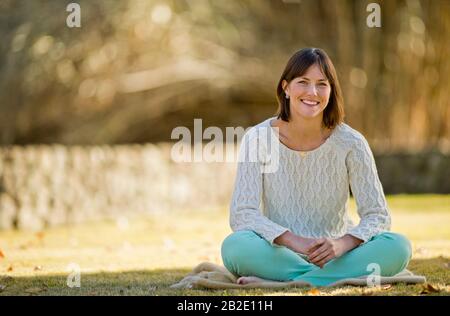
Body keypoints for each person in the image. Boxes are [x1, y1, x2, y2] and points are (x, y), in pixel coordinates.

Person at [221, 48, 412, 287]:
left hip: (338, 255)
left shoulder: (351, 143)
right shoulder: (257, 139)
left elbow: (377, 215)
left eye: (322, 84)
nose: (313, 92)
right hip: (280, 253)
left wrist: (342, 244)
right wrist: (294, 240)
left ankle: (287, 281)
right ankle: (322, 277)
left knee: (398, 247)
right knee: (235, 246)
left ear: (331, 92)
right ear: (285, 88)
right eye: (303, 82)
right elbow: (242, 213)